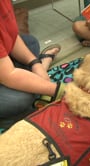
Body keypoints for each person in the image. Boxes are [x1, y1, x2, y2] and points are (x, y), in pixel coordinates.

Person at [0, 0, 63, 130]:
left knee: (30, 42)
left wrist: (35, 63)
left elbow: (11, 36)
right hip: (5, 73)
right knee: (20, 99)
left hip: (4, 67)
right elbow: (8, 75)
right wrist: (59, 90)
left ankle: (36, 80)